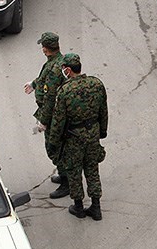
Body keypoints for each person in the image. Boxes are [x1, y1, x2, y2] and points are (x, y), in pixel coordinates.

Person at [48, 53, 109, 221]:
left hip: (74, 138)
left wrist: (53, 142)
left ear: (68, 70)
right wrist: (102, 131)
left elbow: (59, 120)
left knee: (74, 170)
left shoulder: (65, 91)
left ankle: (79, 207)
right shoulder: (96, 84)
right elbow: (103, 111)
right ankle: (96, 207)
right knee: (92, 168)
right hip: (93, 134)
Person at [23, 32, 68, 199]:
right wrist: (34, 84)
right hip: (54, 113)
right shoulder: (56, 62)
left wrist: (43, 121)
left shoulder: (55, 68)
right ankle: (64, 175)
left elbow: (50, 98)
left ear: (45, 49)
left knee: (55, 147)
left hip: (55, 115)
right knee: (57, 147)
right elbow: (44, 79)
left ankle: (67, 183)